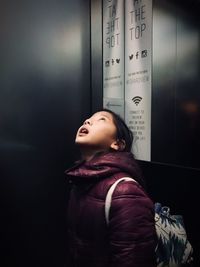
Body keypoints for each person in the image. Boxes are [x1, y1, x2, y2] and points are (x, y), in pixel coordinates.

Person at [65, 109, 157, 267]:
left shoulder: (125, 191)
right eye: (88, 119)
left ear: (117, 144)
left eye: (101, 119)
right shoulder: (81, 181)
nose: (87, 121)